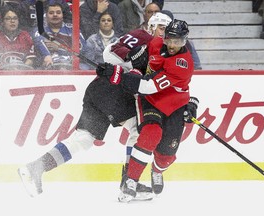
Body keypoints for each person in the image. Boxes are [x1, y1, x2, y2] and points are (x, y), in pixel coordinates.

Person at [17, 12, 172, 201]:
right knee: (138, 131)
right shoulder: (144, 38)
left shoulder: (157, 45)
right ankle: (129, 183)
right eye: (162, 28)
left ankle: (35, 168)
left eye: (167, 29)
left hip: (99, 89)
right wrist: (128, 63)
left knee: (83, 139)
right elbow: (110, 53)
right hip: (114, 90)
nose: (165, 33)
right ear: (151, 27)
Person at [96, 19, 198, 202]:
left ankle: (157, 171)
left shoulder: (182, 64)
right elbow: (134, 62)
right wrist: (126, 62)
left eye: (178, 41)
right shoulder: (155, 43)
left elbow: (148, 85)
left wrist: (116, 75)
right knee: (150, 135)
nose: (173, 45)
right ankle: (131, 181)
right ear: (165, 37)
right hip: (151, 101)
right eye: (170, 40)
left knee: (166, 155)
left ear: (185, 41)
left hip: (172, 104)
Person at [32, 2, 87, 69]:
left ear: (62, 15)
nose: (55, 15)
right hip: (48, 66)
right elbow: (38, 42)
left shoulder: (72, 29)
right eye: (51, 13)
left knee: (84, 67)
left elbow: (83, 49)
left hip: (70, 66)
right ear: (46, 15)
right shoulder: (40, 29)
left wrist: (59, 48)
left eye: (58, 12)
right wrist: (47, 55)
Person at [0, 5, 36, 70]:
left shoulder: (25, 35)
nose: (12, 21)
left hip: (21, 73)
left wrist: (21, 69)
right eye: (8, 18)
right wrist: (4, 69)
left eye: (15, 18)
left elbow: (30, 58)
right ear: (2, 22)